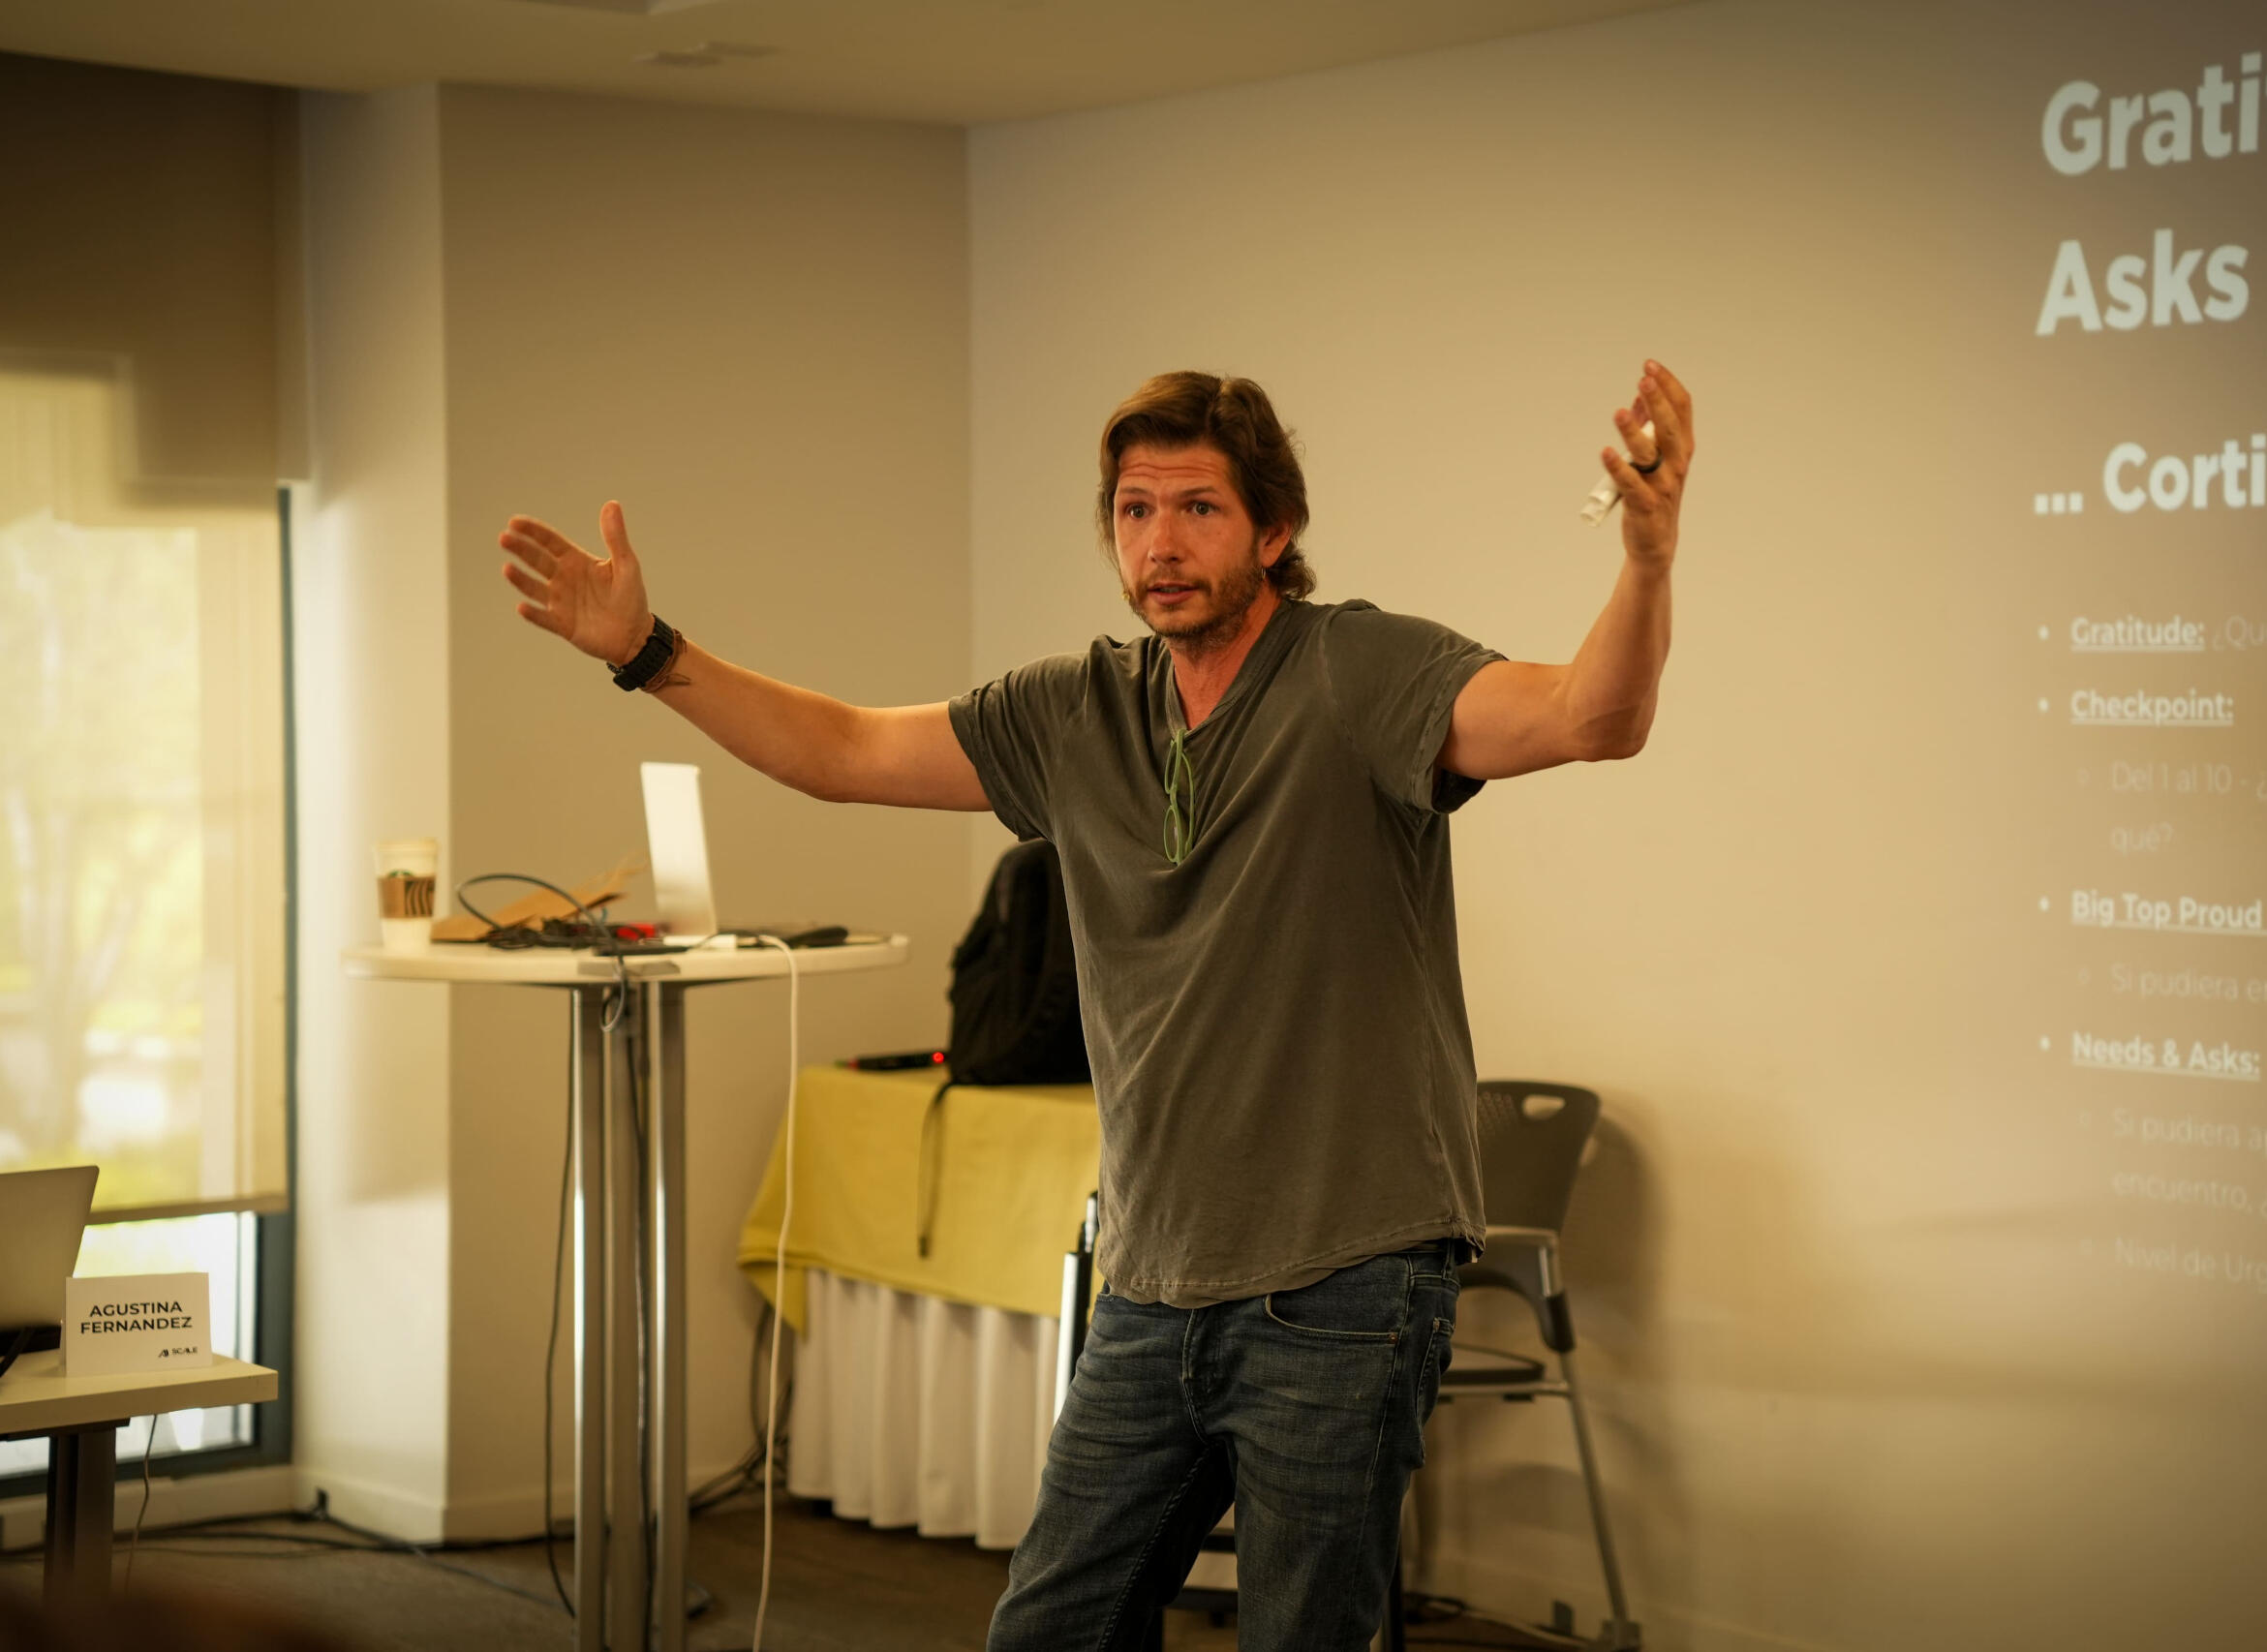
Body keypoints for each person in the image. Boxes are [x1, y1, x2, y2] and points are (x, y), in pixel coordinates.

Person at [499, 361, 1693, 1649]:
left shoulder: (1360, 671)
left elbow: (1590, 716)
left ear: (1274, 531)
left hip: (1346, 1284)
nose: (1160, 544)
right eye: (1134, 510)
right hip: (1153, 1280)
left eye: (1198, 508)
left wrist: (1646, 561)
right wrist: (649, 653)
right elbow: (841, 750)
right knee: (1048, 1631)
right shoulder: (1074, 710)